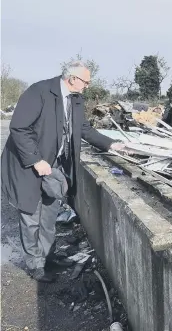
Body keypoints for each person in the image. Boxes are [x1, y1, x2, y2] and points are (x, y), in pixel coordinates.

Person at [1, 61, 128, 282]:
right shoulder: (39, 92)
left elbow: (84, 129)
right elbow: (19, 128)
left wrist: (111, 144)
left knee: (49, 215)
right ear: (72, 79)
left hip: (53, 166)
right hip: (27, 165)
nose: (87, 86)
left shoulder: (76, 99)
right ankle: (35, 265)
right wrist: (35, 160)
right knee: (31, 216)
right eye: (85, 82)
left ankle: (48, 256)